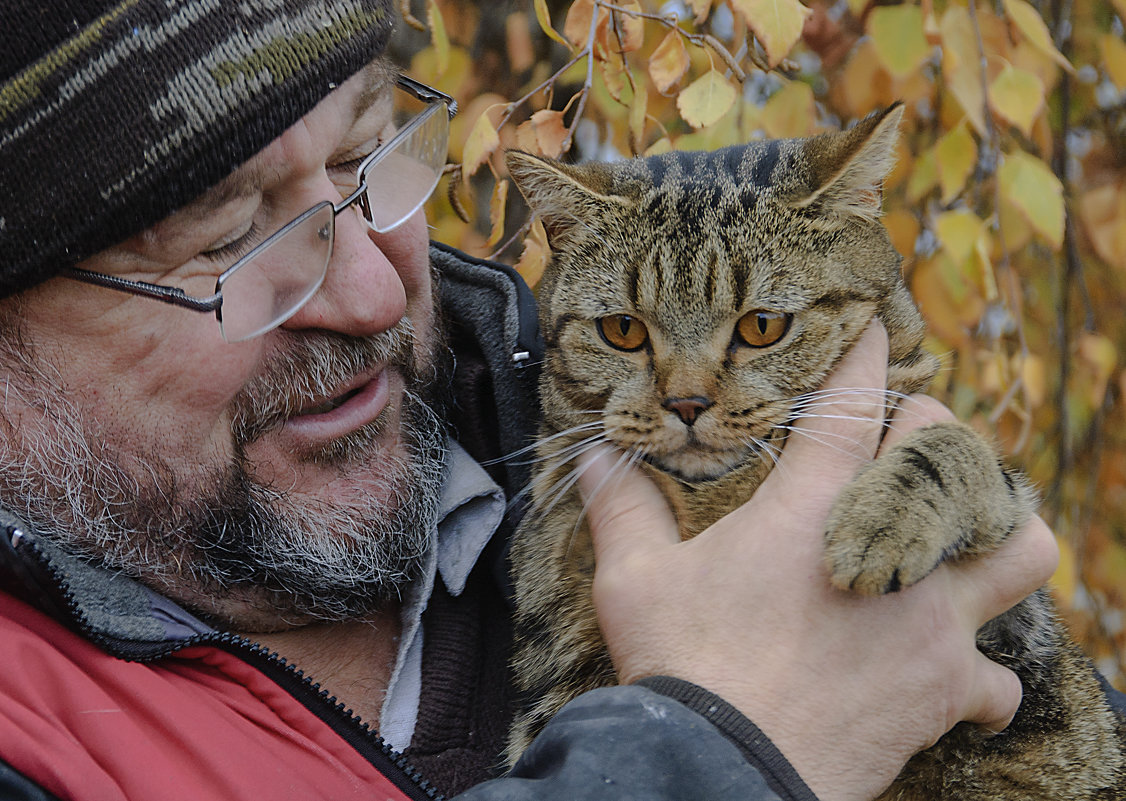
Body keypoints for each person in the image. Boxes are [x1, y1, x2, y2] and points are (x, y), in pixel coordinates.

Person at [0, 1, 1099, 800]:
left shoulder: (535, 398)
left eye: (368, 159)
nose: (376, 286)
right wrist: (725, 748)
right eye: (226, 239)